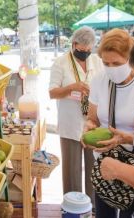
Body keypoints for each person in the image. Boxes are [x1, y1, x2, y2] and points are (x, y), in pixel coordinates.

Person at [82, 28, 134, 218]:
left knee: (130, 213)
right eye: (106, 63)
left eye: (117, 63)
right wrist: (89, 127)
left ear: (131, 58)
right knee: (104, 214)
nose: (111, 68)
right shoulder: (99, 81)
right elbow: (92, 118)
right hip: (105, 163)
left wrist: (124, 140)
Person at [49, 26, 103, 203]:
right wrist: (72, 88)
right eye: (82, 50)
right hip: (70, 123)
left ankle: (93, 207)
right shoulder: (61, 63)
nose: (86, 53)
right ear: (74, 44)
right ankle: (73, 205)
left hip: (92, 122)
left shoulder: (96, 61)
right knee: (72, 170)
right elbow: (52, 93)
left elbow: (105, 85)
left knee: (93, 167)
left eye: (89, 50)